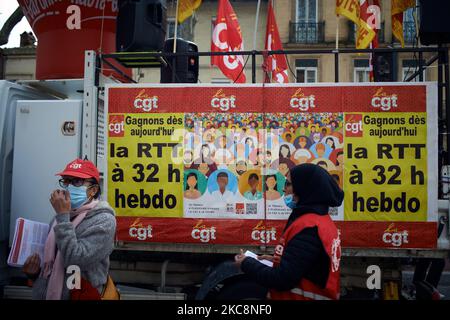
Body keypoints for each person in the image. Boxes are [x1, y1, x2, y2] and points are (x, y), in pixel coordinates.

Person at [235, 163, 344, 300]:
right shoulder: (320, 220)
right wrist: (280, 261)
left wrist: (246, 263)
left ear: (305, 188)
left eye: (288, 184)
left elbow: (282, 280)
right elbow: (308, 267)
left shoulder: (309, 227)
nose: (283, 189)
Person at [22, 159, 117, 300]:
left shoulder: (104, 220)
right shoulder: (61, 218)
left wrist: (62, 216)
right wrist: (34, 273)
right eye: (66, 181)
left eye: (77, 181)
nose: (68, 187)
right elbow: (51, 264)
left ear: (93, 190)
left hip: (78, 295)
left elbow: (76, 260)